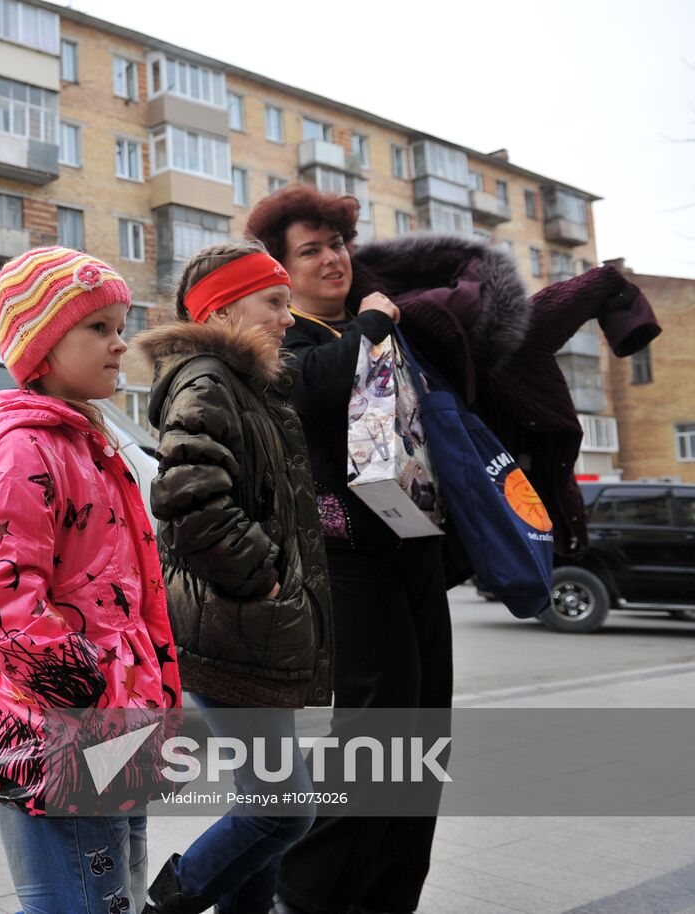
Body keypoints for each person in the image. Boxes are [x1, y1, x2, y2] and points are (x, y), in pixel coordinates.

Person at [0, 246, 181, 914]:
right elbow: (0, 599)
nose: (120, 342)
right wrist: (84, 684)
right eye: (98, 327)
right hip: (65, 728)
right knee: (82, 898)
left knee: (116, 889)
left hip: (112, 721)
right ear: (42, 346)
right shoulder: (27, 450)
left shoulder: (83, 442)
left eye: (119, 325)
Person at [244, 187, 447, 914]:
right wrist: (370, 321)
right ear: (282, 269)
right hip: (347, 557)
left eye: (338, 244)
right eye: (312, 249)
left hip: (415, 549)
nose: (333, 258)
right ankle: (304, 895)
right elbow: (311, 391)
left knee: (425, 734)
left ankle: (389, 897)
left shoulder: (379, 329)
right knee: (373, 731)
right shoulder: (285, 339)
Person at [134, 241, 332, 914]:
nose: (289, 318)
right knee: (285, 811)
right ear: (223, 308)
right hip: (233, 624)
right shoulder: (207, 381)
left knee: (267, 810)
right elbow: (190, 495)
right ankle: (170, 902)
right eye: (275, 303)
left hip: (253, 629)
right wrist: (262, 579)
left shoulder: (247, 386)